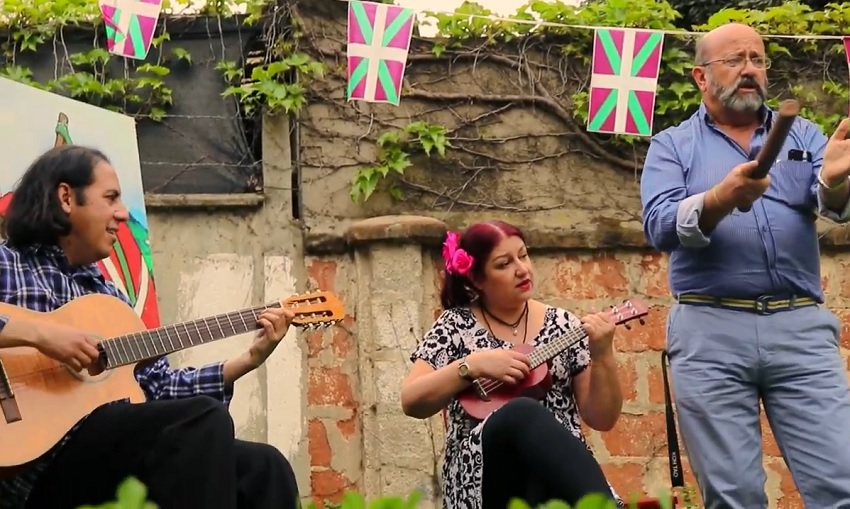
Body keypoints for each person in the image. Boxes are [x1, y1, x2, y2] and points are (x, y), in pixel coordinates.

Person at [0, 145, 301, 509]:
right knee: (202, 419)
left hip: (106, 462)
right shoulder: (7, 262)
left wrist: (247, 360)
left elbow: (158, 388)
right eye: (110, 198)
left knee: (264, 466)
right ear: (66, 198)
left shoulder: (110, 299)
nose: (122, 214)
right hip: (37, 472)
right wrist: (40, 335)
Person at [640, 22, 850, 509]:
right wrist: (719, 198)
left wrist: (838, 181)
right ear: (700, 76)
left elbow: (833, 203)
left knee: (842, 485)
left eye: (757, 59)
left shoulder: (803, 134)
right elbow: (659, 225)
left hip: (799, 326)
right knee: (734, 497)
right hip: (709, 330)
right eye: (735, 60)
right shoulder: (672, 145)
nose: (750, 69)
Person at [400, 220, 625, 508]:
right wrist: (472, 365)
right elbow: (411, 400)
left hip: (556, 474)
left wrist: (603, 353)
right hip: (482, 474)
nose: (522, 269)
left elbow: (602, 419)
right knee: (520, 412)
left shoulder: (563, 324)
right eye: (504, 264)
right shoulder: (454, 326)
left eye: (524, 255)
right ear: (477, 279)